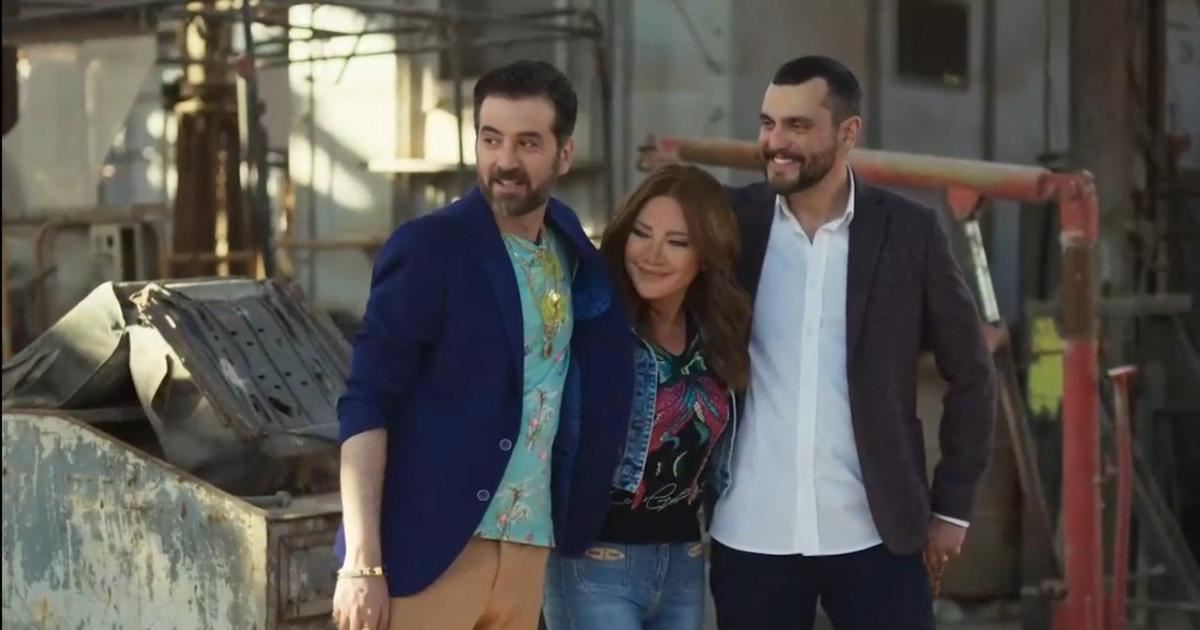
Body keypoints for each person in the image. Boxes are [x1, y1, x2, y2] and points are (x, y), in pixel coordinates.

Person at [330, 59, 635, 630]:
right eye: (491, 139)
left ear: (564, 154)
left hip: (528, 551)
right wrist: (362, 563)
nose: (505, 161)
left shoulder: (569, 244)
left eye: (528, 143)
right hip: (428, 553)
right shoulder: (430, 246)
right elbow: (367, 401)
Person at [707, 56, 997, 630]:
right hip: (750, 533)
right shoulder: (731, 222)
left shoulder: (909, 232)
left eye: (797, 126)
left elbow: (972, 372)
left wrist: (953, 507)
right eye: (768, 123)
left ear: (848, 132)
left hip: (878, 535)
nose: (775, 142)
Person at [542, 164, 752, 630]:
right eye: (641, 234)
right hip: (595, 563)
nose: (652, 255)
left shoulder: (715, 335)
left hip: (685, 561)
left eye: (677, 242)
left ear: (706, 255)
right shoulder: (592, 322)